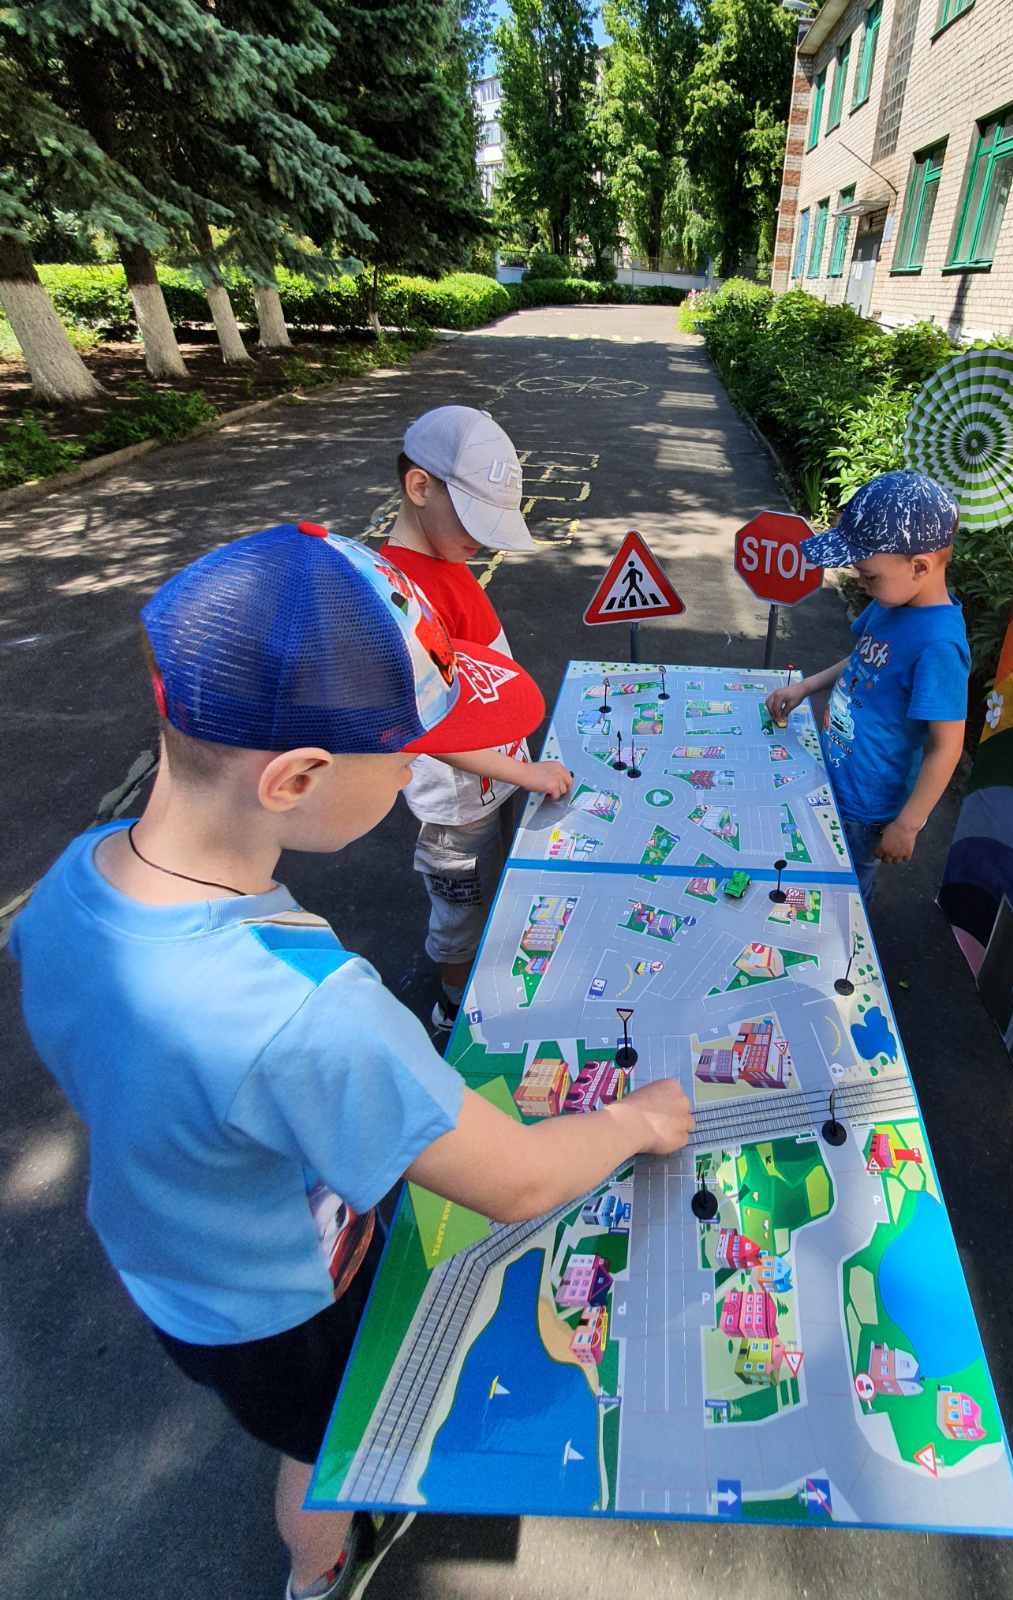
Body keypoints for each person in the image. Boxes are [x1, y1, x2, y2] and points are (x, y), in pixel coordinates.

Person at [9, 523, 693, 1600]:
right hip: (286, 1303)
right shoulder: (311, 1011)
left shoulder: (72, 880)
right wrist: (636, 1121)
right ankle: (320, 1565)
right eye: (409, 754)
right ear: (298, 777)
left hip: (163, 1255)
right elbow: (517, 1179)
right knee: (330, 1449)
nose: (421, 767)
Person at [380, 405, 572, 1030]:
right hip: (460, 804)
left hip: (501, 774)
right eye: (474, 519)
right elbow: (426, 729)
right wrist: (526, 773)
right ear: (420, 486)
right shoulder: (402, 596)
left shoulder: (446, 561)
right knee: (461, 907)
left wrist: (517, 768)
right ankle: (453, 1008)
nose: (483, 540)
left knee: (501, 884)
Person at [765, 471, 969, 901]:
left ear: (920, 566)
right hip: (836, 771)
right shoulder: (892, 602)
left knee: (845, 894)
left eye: (869, 575)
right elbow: (863, 659)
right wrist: (806, 687)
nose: (861, 583)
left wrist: (908, 824)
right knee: (812, 866)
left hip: (867, 806)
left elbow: (947, 746)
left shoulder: (939, 646)